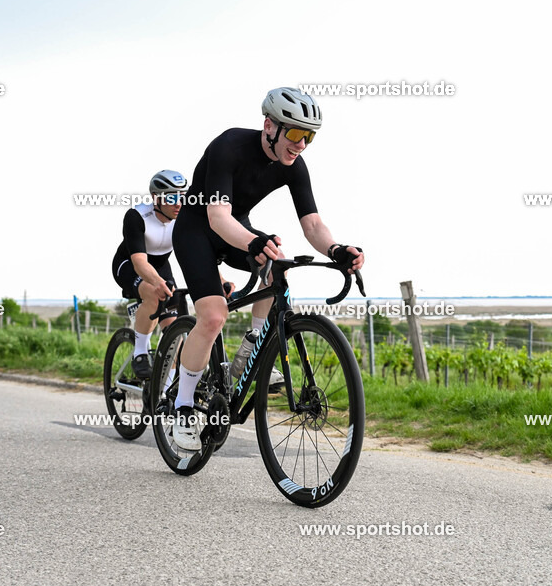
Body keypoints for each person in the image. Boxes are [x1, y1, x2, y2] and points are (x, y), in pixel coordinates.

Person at [171, 87, 365, 450]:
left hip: (235, 228)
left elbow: (312, 225)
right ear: (269, 126)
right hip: (198, 229)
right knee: (213, 317)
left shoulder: (294, 165)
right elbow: (216, 216)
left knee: (277, 262)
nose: (301, 144)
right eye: (294, 133)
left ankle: (252, 347)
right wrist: (253, 243)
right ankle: (182, 406)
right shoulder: (230, 145)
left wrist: (337, 248)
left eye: (309, 136)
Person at [110, 170, 183, 378]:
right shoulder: (137, 216)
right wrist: (158, 283)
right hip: (129, 265)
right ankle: (140, 352)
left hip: (160, 265)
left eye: (182, 196)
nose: (178, 203)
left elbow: (198, 252)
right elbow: (140, 262)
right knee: (154, 293)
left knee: (174, 334)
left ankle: (165, 395)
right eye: (171, 197)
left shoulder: (183, 218)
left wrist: (220, 279)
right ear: (156, 198)